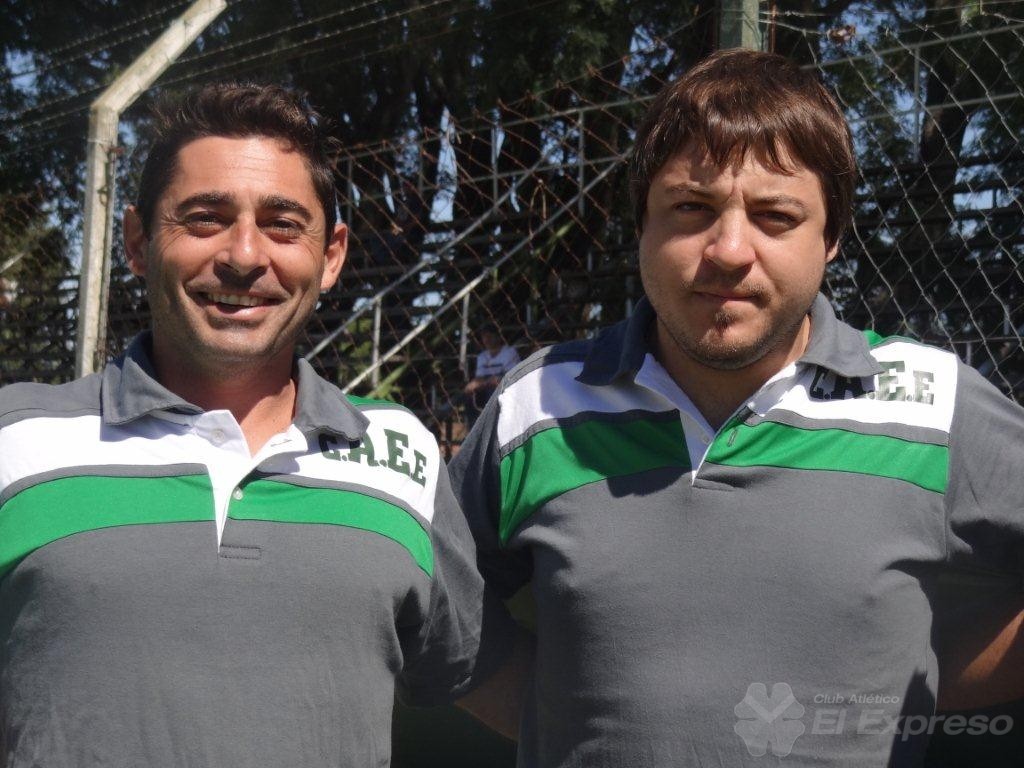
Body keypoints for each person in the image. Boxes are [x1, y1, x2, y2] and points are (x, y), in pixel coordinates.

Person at [450, 49, 1024, 766]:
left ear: (831, 238)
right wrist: (559, 716)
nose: (728, 250)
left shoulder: (932, 404)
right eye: (691, 208)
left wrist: (907, 678)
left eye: (775, 216)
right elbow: (438, 604)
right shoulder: (536, 405)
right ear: (641, 224)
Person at [0, 83, 525, 766]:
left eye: (283, 224)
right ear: (137, 242)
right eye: (204, 219)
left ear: (330, 256)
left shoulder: (402, 457)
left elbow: (515, 688)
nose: (245, 255)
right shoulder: (17, 439)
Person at [462, 322, 520, 427]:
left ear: (498, 336)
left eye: (490, 336)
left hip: (504, 387)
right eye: (484, 336)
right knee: (469, 395)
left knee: (493, 392)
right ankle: (473, 428)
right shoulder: (482, 356)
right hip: (486, 387)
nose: (487, 339)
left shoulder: (509, 352)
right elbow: (479, 378)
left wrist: (484, 382)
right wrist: (473, 385)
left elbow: (510, 377)